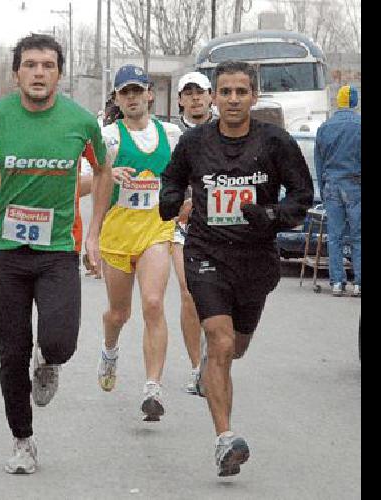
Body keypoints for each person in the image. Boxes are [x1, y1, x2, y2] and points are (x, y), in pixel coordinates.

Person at [0, 33, 109, 475]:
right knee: (11, 351)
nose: (39, 73)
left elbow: (103, 172)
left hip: (58, 248)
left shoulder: (81, 121)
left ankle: (51, 361)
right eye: (31, 65)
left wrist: (93, 234)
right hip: (6, 251)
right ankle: (22, 440)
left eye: (48, 65)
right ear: (17, 71)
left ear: (59, 73)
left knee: (60, 341)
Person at [159, 60, 314, 477]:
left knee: (235, 348)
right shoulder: (194, 143)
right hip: (206, 253)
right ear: (213, 96)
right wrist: (170, 200)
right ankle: (225, 440)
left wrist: (272, 216)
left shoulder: (276, 142)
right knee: (221, 342)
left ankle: (211, 365)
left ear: (254, 97)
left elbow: (302, 195)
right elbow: (171, 179)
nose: (232, 99)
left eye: (240, 92)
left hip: (255, 260)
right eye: (224, 92)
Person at [85, 64, 183, 422]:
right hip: (117, 232)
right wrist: (92, 235)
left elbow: (184, 176)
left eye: (136, 91)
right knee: (119, 313)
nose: (131, 98)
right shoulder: (108, 137)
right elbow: (88, 182)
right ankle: (109, 349)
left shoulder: (171, 134)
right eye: (124, 92)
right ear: (116, 98)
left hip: (156, 228)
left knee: (154, 303)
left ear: (149, 94)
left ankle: (152, 388)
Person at [170, 71, 217, 394]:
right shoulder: (171, 135)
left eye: (200, 92)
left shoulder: (226, 130)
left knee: (218, 299)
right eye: (188, 93)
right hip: (181, 227)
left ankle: (215, 358)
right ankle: (197, 368)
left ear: (210, 95)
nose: (195, 98)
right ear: (180, 101)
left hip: (223, 228)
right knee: (188, 294)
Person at [316, 85, 362, 297]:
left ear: (338, 102)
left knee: (334, 236)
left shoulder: (325, 127)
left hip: (332, 185)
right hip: (355, 185)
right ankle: (358, 283)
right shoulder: (359, 125)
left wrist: (323, 191)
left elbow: (319, 163)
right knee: (358, 236)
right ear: (354, 102)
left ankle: (336, 282)